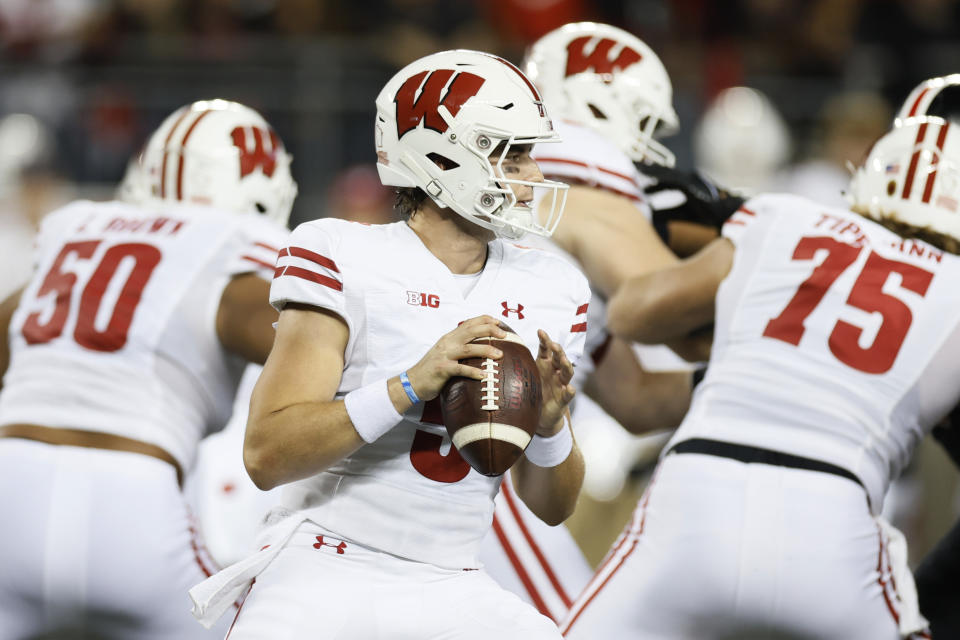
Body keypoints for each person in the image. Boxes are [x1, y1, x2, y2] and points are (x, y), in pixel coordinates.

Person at [189, 49, 590, 639]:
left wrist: (551, 425)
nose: (531, 177)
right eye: (512, 153)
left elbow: (554, 508)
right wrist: (409, 386)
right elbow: (267, 456)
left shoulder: (553, 285)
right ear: (441, 152)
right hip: (324, 564)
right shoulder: (343, 253)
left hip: (452, 578)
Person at [561, 115, 955, 639]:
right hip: (835, 521)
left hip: (696, 494)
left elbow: (635, 312)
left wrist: (756, 325)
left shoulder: (783, 217)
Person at [0, 98, 296, 639]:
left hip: (9, 485)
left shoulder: (77, 227)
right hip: (129, 497)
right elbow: (307, 352)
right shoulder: (233, 248)